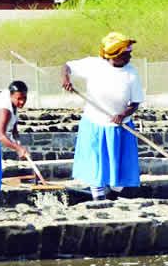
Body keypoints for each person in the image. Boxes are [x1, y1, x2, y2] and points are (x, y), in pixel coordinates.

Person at [61, 32, 144, 201]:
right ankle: (98, 199)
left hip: (120, 127)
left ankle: (112, 194)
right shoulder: (94, 65)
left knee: (119, 171)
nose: (130, 56)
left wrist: (123, 114)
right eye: (126, 53)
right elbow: (66, 66)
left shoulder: (131, 72)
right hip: (94, 124)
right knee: (96, 166)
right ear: (116, 55)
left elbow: (135, 103)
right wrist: (66, 79)